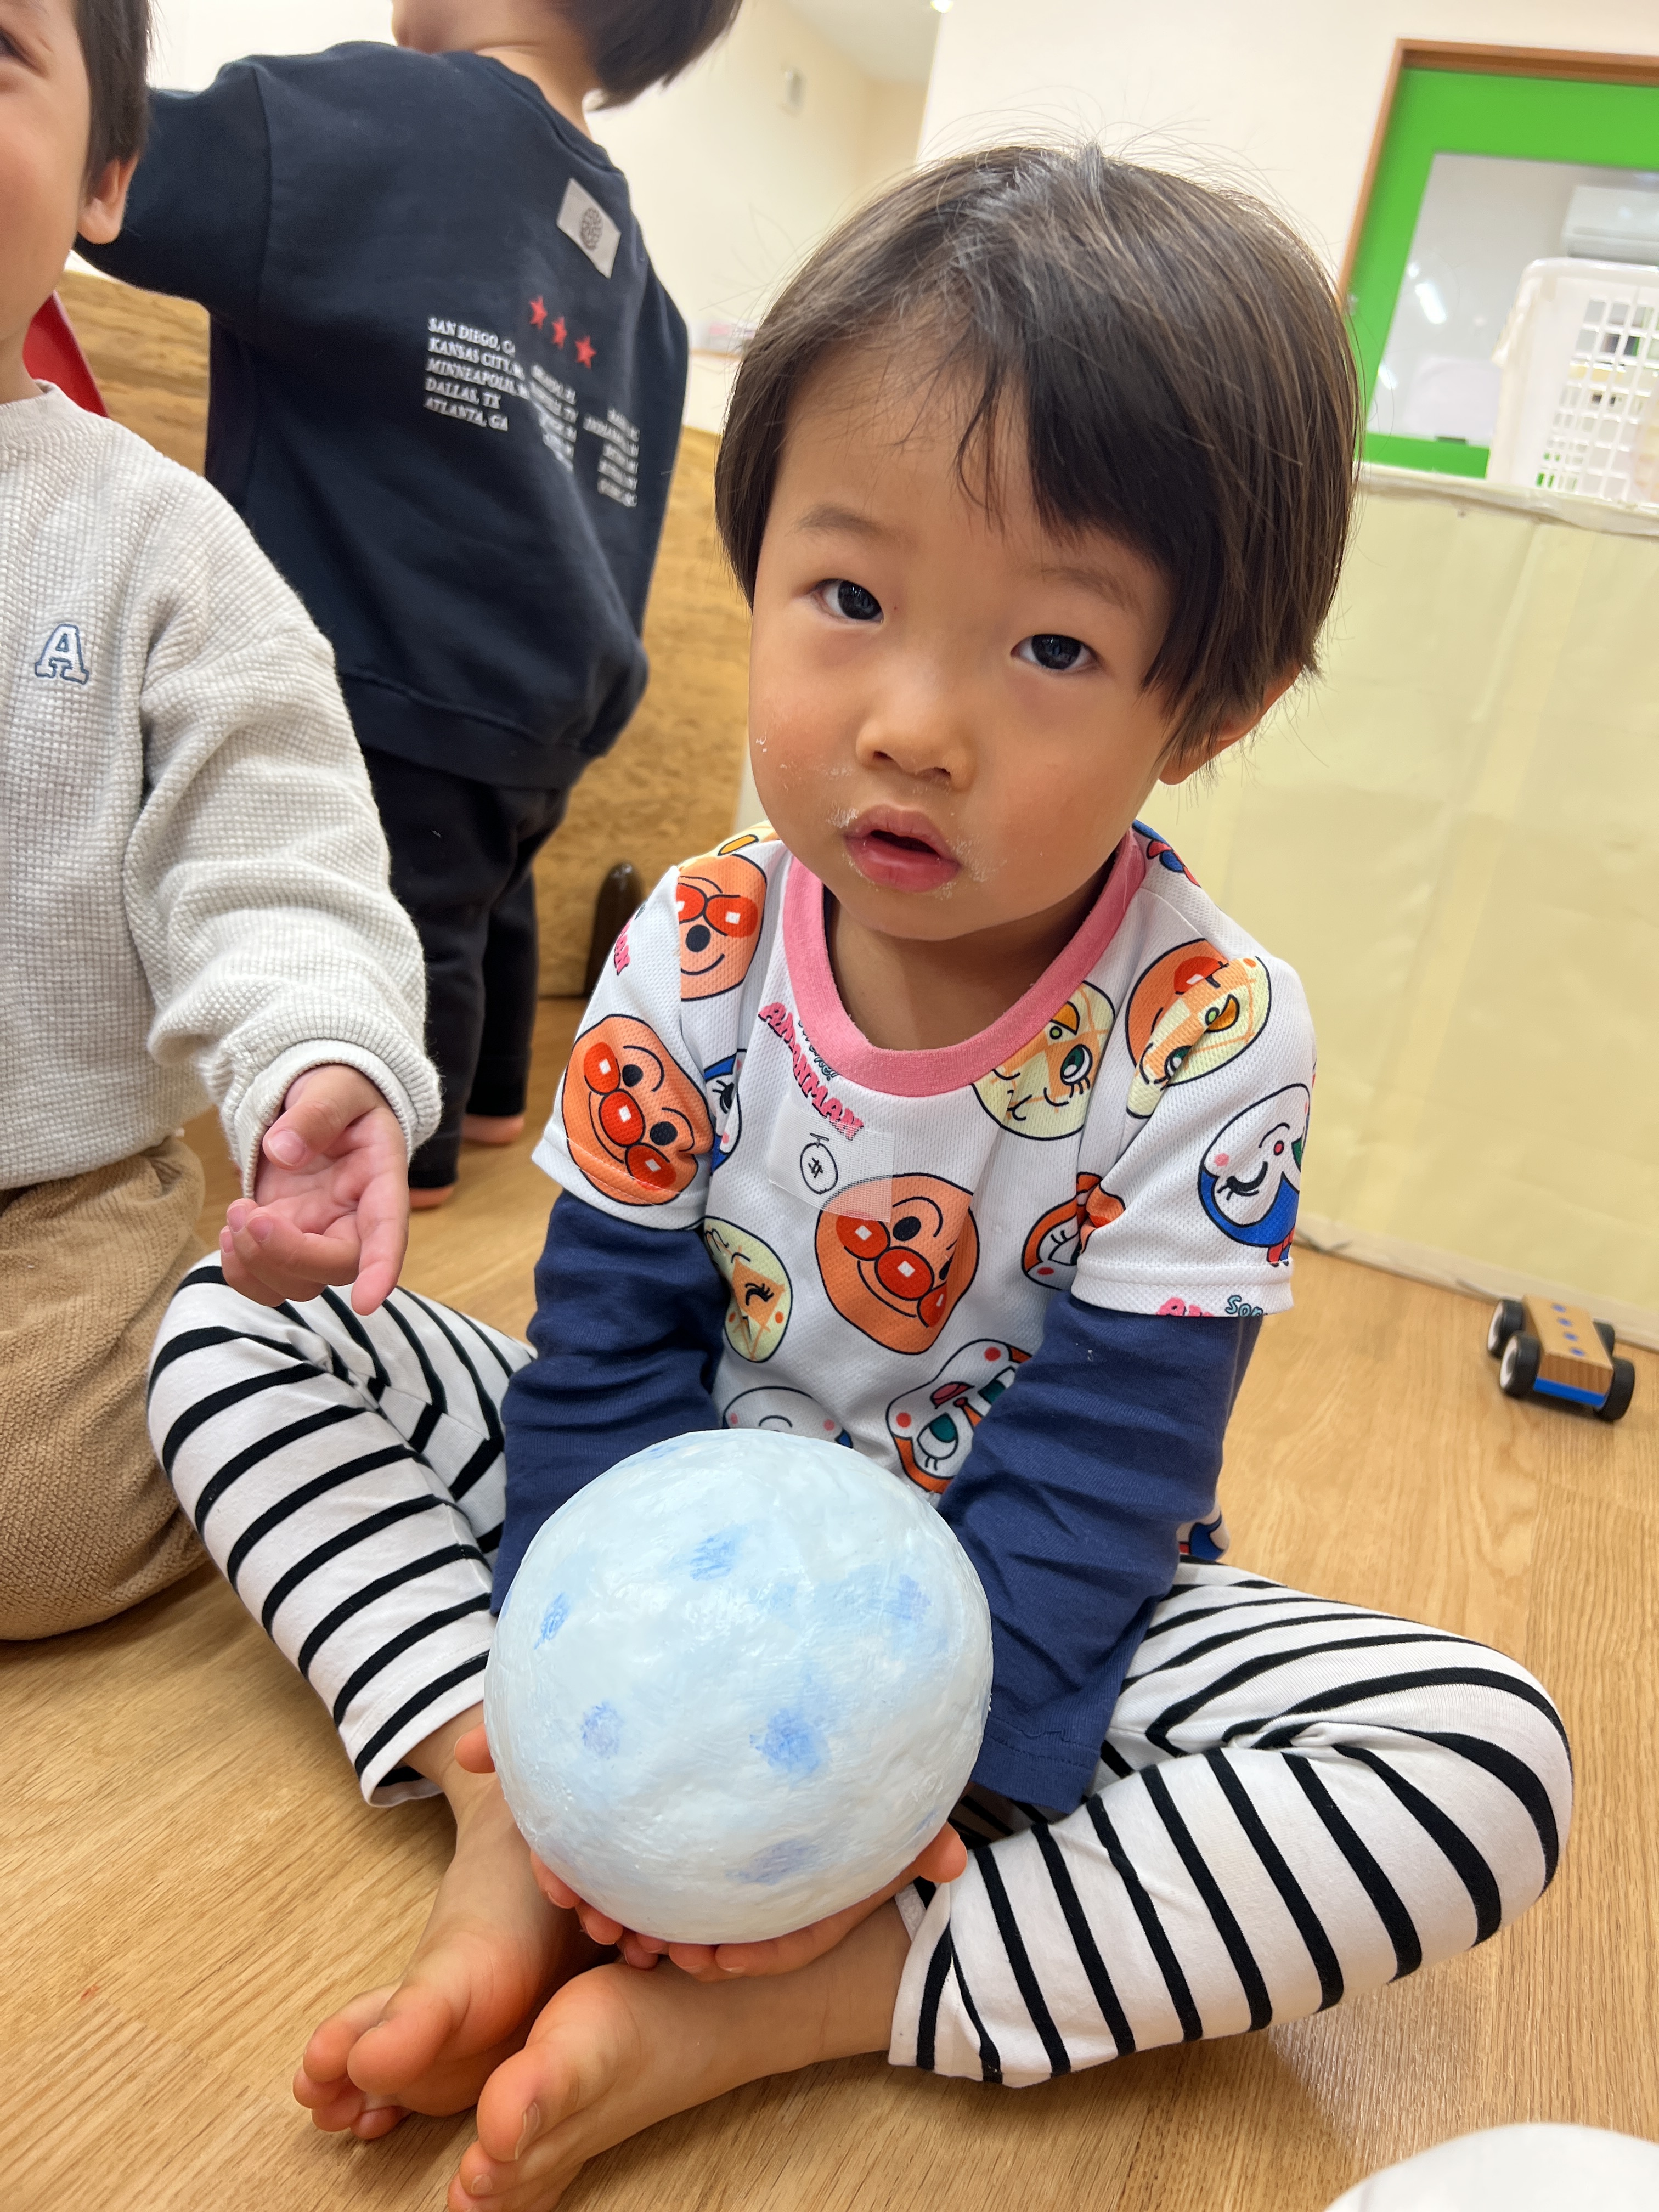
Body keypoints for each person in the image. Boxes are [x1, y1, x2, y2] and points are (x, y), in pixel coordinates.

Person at [149, 149, 1573, 2211]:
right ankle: (499, 1812)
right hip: (660, 1525)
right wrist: (577, 1722)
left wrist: (916, 1818)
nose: (912, 726)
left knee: (1476, 1761)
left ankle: (844, 1991)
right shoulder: (696, 943)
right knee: (232, 1331)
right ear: (757, 568)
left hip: (1011, 1599)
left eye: (1052, 649)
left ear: (1210, 707)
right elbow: (603, 1353)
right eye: (849, 601)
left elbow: (1101, 1474)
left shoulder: (1208, 1033)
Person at [81, 0, 741, 1207]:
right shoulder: (639, 284)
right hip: (552, 702)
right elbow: (634, 517)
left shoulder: (375, 122)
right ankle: (494, 1107)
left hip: (387, 670)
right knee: (483, 896)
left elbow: (109, 168)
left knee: (407, 921)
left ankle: (405, 1184)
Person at [0, 0, 442, 1640]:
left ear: (105, 177)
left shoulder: (160, 546)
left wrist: (313, 1054)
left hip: (46, 1197)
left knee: (35, 1518)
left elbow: (273, 857)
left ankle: (242, 1375)